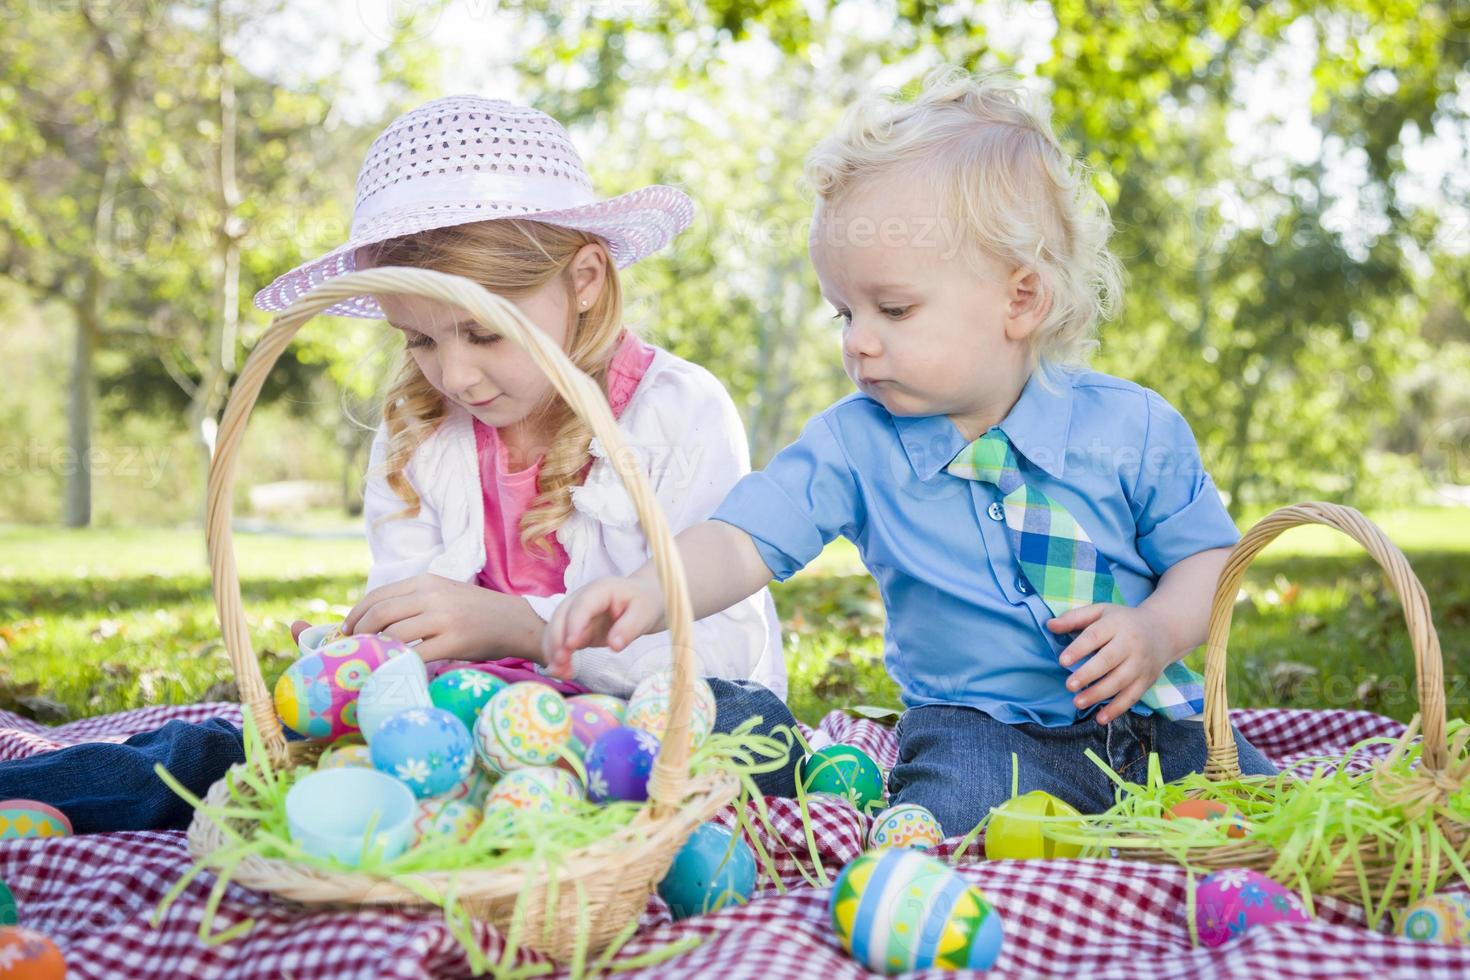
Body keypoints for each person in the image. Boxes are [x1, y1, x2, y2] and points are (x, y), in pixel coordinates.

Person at [0, 95, 797, 833]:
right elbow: (411, 604)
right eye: (418, 339)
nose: (453, 377)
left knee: (753, 737)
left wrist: (525, 628)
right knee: (232, 746)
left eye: (482, 332)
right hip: (456, 723)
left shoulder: (678, 411)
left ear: (584, 280)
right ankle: (39, 794)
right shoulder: (421, 428)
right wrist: (368, 654)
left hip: (630, 723)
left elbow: (718, 651)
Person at [544, 69, 1277, 837]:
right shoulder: (853, 444)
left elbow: (1210, 563)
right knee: (941, 825)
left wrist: (1155, 631)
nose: (858, 340)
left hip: (1158, 715)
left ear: (1019, 300)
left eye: (893, 309)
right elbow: (741, 541)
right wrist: (652, 590)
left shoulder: (1133, 427)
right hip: (984, 730)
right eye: (844, 312)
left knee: (1263, 815)